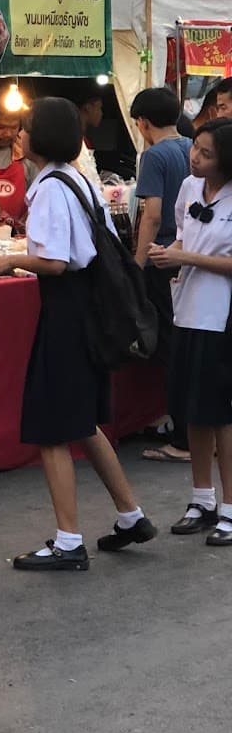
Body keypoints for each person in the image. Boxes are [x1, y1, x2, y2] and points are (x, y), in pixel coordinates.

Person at [0, 97, 156, 570]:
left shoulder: (48, 189)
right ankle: (131, 514)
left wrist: (13, 259)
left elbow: (56, 261)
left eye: (24, 129)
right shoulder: (80, 181)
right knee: (82, 422)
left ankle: (67, 541)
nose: (18, 136)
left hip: (65, 315)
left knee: (52, 429)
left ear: (38, 139)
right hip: (90, 312)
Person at [149, 121, 232, 544]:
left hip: (222, 315)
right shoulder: (187, 188)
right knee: (193, 409)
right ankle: (202, 497)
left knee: (222, 414)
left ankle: (230, 507)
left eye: (207, 154)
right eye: (195, 149)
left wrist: (186, 257)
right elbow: (182, 233)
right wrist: (174, 259)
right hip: (187, 310)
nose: (195, 158)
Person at [131, 87, 195, 463]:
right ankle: (190, 426)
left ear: (143, 122)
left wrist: (138, 262)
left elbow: (152, 215)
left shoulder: (153, 155)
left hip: (164, 257)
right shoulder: (192, 147)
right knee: (186, 343)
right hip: (190, 255)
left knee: (169, 346)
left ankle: (183, 438)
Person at [74, 81, 105, 187]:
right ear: (87, 107)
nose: (101, 113)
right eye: (99, 107)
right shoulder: (77, 142)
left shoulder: (83, 139)